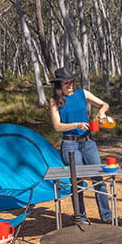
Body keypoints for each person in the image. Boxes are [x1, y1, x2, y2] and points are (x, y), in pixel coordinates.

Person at [49, 67, 113, 223]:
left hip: (88, 142)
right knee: (77, 181)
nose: (70, 85)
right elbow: (57, 126)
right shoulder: (54, 101)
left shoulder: (82, 93)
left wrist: (102, 112)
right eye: (66, 83)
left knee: (98, 179)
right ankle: (81, 217)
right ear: (59, 85)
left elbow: (104, 104)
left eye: (72, 82)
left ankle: (107, 216)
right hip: (70, 144)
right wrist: (75, 125)